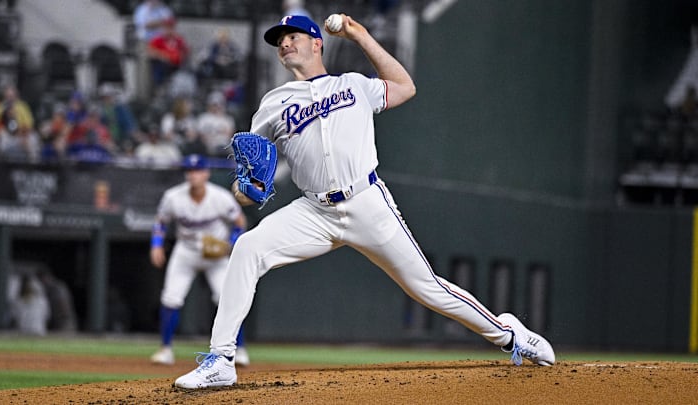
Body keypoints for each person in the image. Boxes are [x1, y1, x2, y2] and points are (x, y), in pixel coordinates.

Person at [174, 14, 555, 389]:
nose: (285, 43)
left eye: (293, 36)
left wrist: (361, 36)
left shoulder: (354, 85)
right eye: (279, 41)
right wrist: (247, 191)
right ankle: (221, 360)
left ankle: (509, 336)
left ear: (316, 43)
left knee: (427, 289)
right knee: (248, 247)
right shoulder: (274, 102)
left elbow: (405, 87)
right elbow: (248, 179)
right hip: (314, 211)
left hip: (366, 201)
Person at [149, 154, 250, 366]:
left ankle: (239, 350)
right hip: (186, 251)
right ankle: (165, 349)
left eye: (197, 171)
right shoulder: (173, 197)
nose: (193, 175)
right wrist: (156, 245)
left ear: (206, 173)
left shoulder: (220, 197)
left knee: (228, 299)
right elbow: (161, 222)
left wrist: (232, 243)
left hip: (216, 255)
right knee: (170, 299)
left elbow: (240, 221)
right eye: (189, 171)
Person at [0, 84, 40, 161]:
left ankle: (33, 166)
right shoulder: (0, 107)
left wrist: (22, 134)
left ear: (16, 96)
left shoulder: (22, 106)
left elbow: (29, 124)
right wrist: (7, 113)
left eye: (12, 95)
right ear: (5, 96)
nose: (10, 98)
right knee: (2, 137)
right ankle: (0, 164)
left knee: (33, 138)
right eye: (8, 95)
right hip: (7, 134)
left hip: (21, 134)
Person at [146, 17, 190, 95]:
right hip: (163, 65)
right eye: (166, 27)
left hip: (177, 66)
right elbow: (150, 52)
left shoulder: (178, 40)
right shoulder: (158, 40)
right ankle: (160, 90)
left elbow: (186, 51)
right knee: (159, 67)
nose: (168, 30)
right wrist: (162, 55)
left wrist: (181, 55)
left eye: (171, 27)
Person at [196, 91, 235, 157]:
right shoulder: (203, 118)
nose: (217, 107)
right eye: (214, 105)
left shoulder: (228, 119)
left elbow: (230, 134)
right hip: (209, 145)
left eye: (219, 104)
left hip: (224, 145)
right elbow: (201, 135)